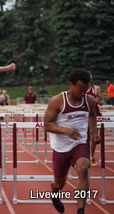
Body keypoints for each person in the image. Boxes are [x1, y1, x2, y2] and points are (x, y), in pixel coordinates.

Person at [44, 69, 101, 214]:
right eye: (80, 90)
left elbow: (92, 116)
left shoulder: (90, 101)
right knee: (58, 184)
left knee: (83, 169)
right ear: (71, 84)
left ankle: (80, 210)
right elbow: (47, 124)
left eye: (86, 90)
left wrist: (94, 133)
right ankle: (55, 196)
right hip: (61, 147)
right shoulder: (57, 100)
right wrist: (66, 131)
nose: (82, 93)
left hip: (80, 143)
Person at [86, 71, 103, 166]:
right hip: (83, 115)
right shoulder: (80, 89)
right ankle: (84, 155)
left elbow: (101, 102)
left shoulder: (96, 88)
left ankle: (92, 156)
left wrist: (98, 101)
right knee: (83, 137)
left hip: (94, 115)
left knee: (94, 137)